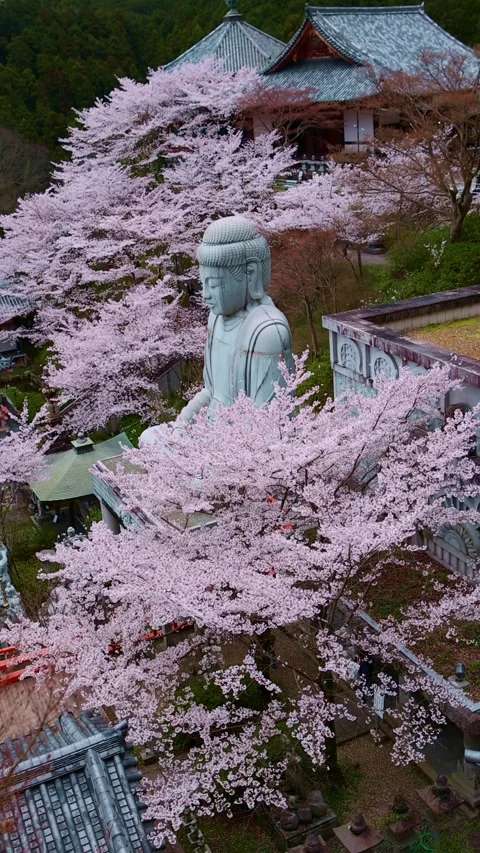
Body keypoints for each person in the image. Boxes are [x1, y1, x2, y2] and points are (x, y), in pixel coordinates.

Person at [141, 216, 293, 444]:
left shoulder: (267, 332)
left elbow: (269, 429)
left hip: (243, 451)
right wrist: (182, 424)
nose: (205, 294)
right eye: (203, 284)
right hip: (210, 437)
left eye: (213, 284)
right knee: (149, 438)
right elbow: (211, 392)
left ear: (250, 274)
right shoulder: (216, 319)